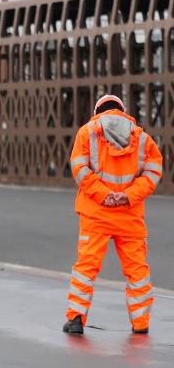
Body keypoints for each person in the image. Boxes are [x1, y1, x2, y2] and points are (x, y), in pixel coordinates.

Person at [64, 94, 163, 335]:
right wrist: (128, 195)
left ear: (98, 110)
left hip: (95, 214)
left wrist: (103, 194)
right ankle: (140, 323)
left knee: (86, 268)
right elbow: (153, 173)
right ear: (122, 110)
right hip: (129, 216)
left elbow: (79, 169)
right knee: (137, 270)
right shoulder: (142, 138)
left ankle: (76, 319)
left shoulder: (86, 133)